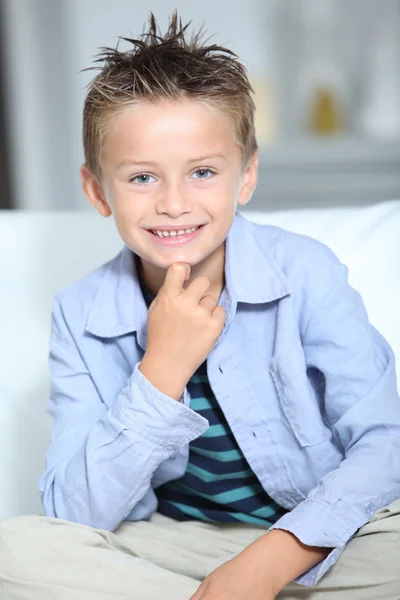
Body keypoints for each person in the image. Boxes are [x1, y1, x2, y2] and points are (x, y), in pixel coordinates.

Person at [1, 11, 400, 600]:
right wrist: (161, 369)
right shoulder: (80, 314)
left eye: (203, 172)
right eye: (141, 178)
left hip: (321, 536)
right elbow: (76, 510)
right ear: (96, 191)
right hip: (174, 545)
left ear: (246, 176)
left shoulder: (305, 272)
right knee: (18, 552)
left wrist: (264, 566)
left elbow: (385, 444)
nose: (174, 203)